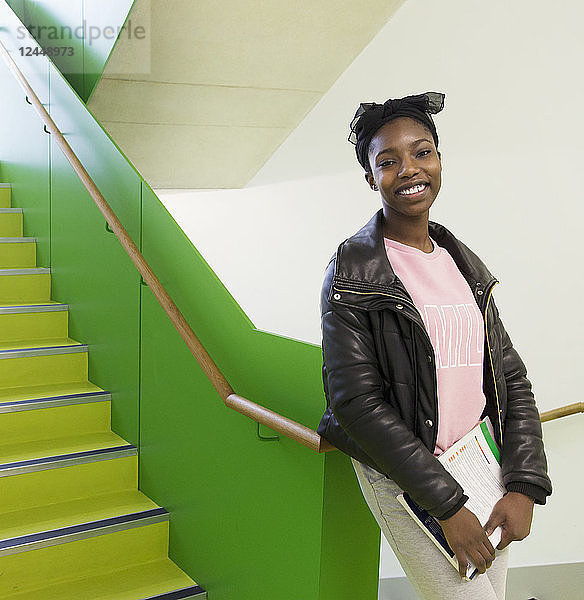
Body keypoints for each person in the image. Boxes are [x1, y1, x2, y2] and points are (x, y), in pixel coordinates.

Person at [316, 92, 552, 600]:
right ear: (370, 177)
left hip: (480, 468)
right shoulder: (352, 271)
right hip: (409, 480)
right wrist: (446, 505)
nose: (408, 169)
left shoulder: (463, 265)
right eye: (388, 160)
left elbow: (511, 378)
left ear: (440, 160)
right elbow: (354, 402)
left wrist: (524, 481)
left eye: (422, 152)